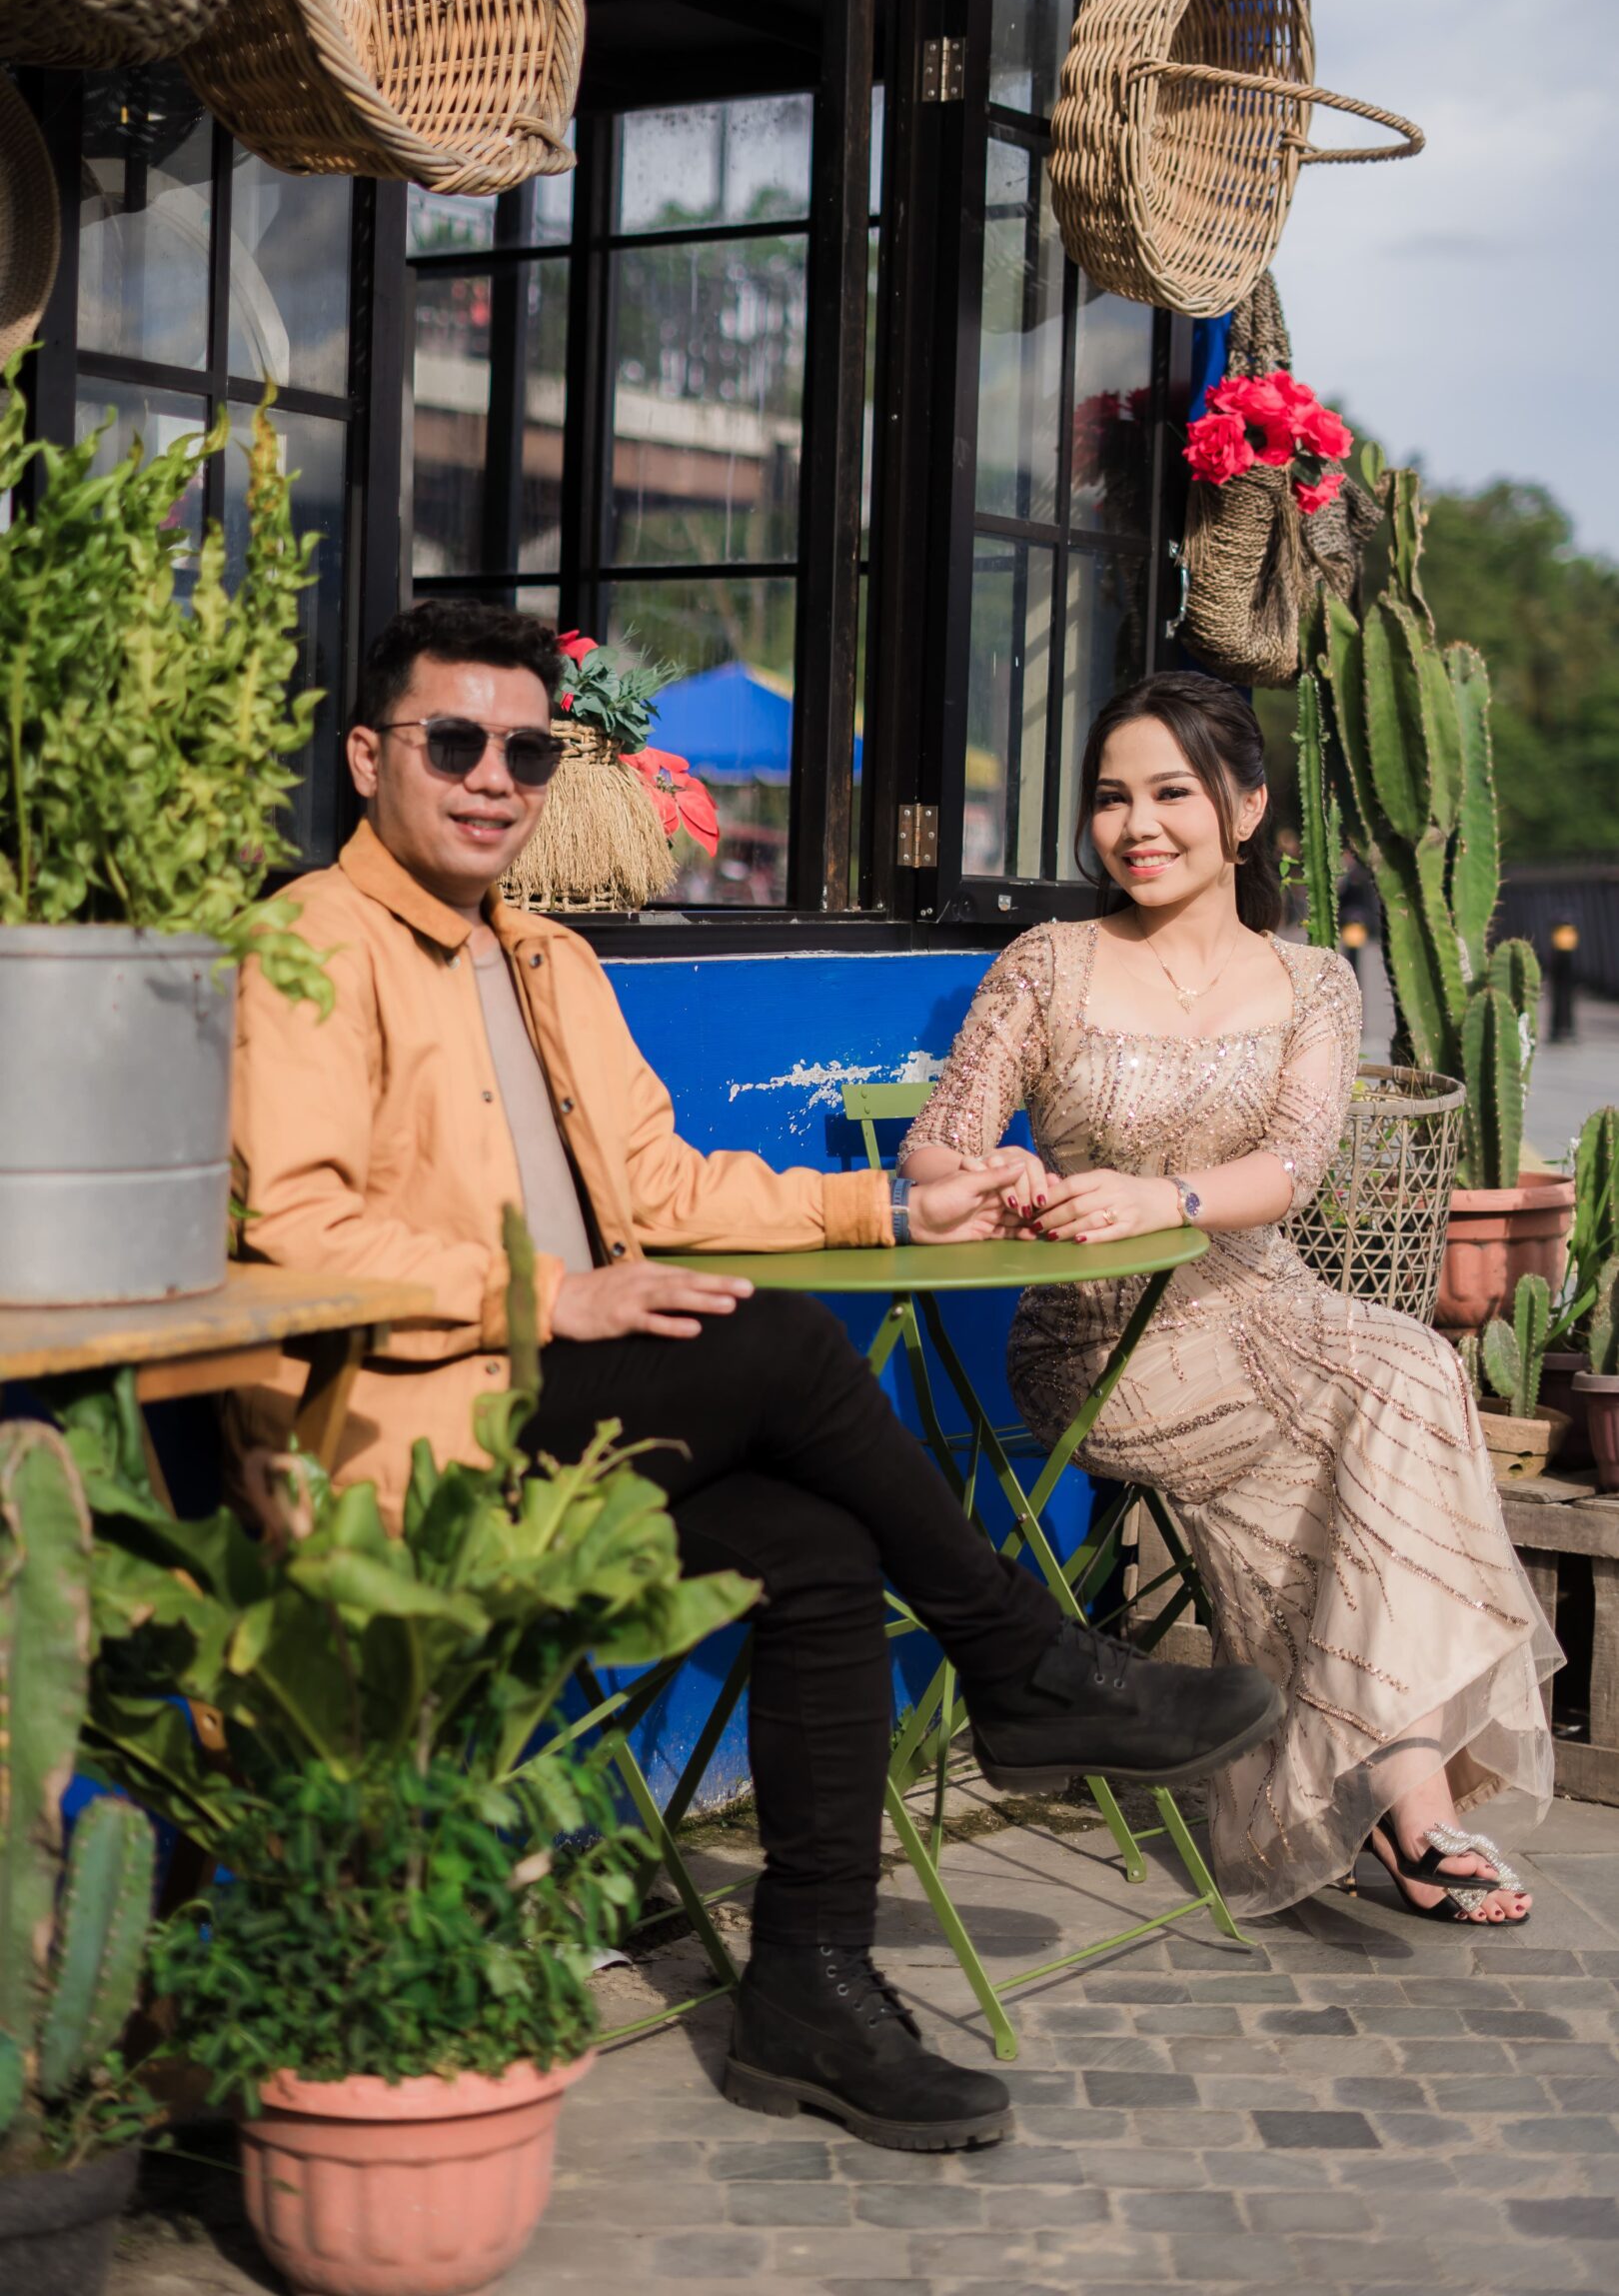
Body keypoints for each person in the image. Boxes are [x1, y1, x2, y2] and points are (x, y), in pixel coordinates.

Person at [228, 603, 1282, 2153]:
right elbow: (295, 1231)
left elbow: (662, 1183)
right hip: (421, 1435)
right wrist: (555, 1291)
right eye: (455, 743)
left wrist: (890, 1210)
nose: (495, 779)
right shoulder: (307, 946)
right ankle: (1024, 1663)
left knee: (820, 1551)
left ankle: (809, 1987)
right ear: (368, 757)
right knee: (783, 1341)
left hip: (569, 1417)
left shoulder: (547, 958)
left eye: (527, 751)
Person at [901, 673, 1560, 1931]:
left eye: (1172, 793)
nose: (1137, 826)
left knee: (1402, 1372)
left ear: (1247, 808)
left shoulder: (1311, 980)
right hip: (1102, 1339)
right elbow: (935, 1148)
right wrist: (999, 1175)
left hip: (1264, 1303)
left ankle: (1391, 1798)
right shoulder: (1049, 964)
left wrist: (1163, 1197)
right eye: (1111, 798)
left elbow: (1296, 1165)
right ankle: (1411, 1808)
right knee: (1384, 1395)